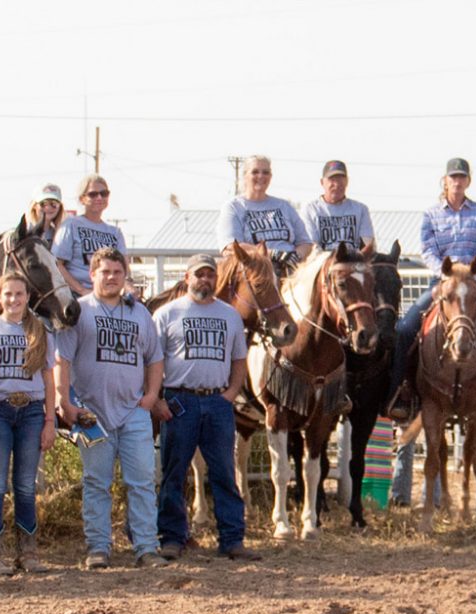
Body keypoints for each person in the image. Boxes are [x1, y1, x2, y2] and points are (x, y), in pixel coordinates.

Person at [388, 158, 476, 424]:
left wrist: (469, 275)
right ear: (445, 180)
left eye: (462, 177)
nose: (457, 181)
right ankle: (401, 392)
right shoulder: (431, 214)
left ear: (468, 181)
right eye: (453, 177)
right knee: (405, 329)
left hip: (475, 283)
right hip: (441, 284)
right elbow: (428, 250)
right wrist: (447, 274)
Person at [53, 249, 169, 569]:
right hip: (93, 413)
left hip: (133, 411)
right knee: (97, 482)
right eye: (105, 271)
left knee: (142, 481)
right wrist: (65, 401)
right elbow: (62, 359)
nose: (111, 277)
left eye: (117, 272)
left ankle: (146, 547)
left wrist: (151, 396)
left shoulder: (139, 314)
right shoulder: (79, 311)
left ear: (124, 275)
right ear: (92, 275)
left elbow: (155, 358)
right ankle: (98, 547)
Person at [153, 253, 260, 562]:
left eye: (210, 275)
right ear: (187, 278)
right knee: (175, 471)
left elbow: (239, 360)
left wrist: (230, 393)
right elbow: (154, 360)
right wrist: (158, 398)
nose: (205, 279)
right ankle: (172, 537)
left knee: (225, 472)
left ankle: (231, 538)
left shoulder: (229, 315)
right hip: (179, 399)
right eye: (199, 274)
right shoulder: (168, 313)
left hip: (217, 401)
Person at [0, 274, 58, 576]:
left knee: (25, 485)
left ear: (28, 296)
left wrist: (49, 420)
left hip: (30, 410)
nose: (14, 300)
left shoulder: (39, 330)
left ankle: (27, 552)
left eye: (19, 294)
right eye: (8, 294)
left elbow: (47, 377)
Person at [222, 155, 312, 276]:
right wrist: (273, 254)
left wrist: (294, 257)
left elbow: (305, 243)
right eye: (255, 172)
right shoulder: (234, 207)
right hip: (255, 272)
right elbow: (232, 247)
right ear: (244, 176)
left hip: (290, 270)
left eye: (266, 172)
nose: (261, 176)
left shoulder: (284, 206)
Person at [51, 174, 126, 294]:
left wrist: (128, 287)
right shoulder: (71, 224)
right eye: (93, 194)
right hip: (76, 295)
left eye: (104, 193)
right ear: (82, 199)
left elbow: (124, 267)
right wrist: (81, 290)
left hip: (109, 293)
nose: (99, 197)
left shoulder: (115, 232)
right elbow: (57, 264)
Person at [299, 160, 376, 255]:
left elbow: (368, 244)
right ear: (322, 182)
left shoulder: (360, 209)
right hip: (322, 263)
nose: (337, 184)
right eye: (332, 179)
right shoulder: (310, 209)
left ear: (347, 181)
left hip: (353, 262)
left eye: (341, 179)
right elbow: (311, 246)